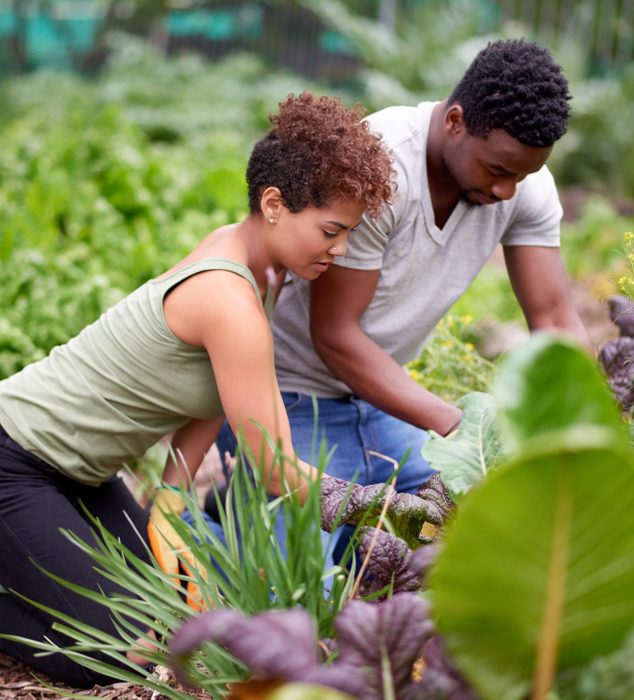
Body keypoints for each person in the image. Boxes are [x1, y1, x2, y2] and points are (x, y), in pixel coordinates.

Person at [0, 92, 413, 686]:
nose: (342, 248)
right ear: (274, 204)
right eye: (331, 229)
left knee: (172, 614)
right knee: (119, 654)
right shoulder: (229, 299)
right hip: (16, 460)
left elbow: (209, 391)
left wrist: (170, 499)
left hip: (82, 474)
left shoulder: (257, 268)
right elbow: (276, 471)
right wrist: (387, 508)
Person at [217, 39, 591, 523]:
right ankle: (223, 509)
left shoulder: (522, 185)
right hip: (287, 400)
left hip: (384, 406)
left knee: (473, 530)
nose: (506, 191)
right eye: (498, 170)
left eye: (523, 174)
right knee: (300, 583)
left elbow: (555, 317)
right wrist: (463, 428)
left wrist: (586, 429)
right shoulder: (376, 168)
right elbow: (335, 335)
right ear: (455, 121)